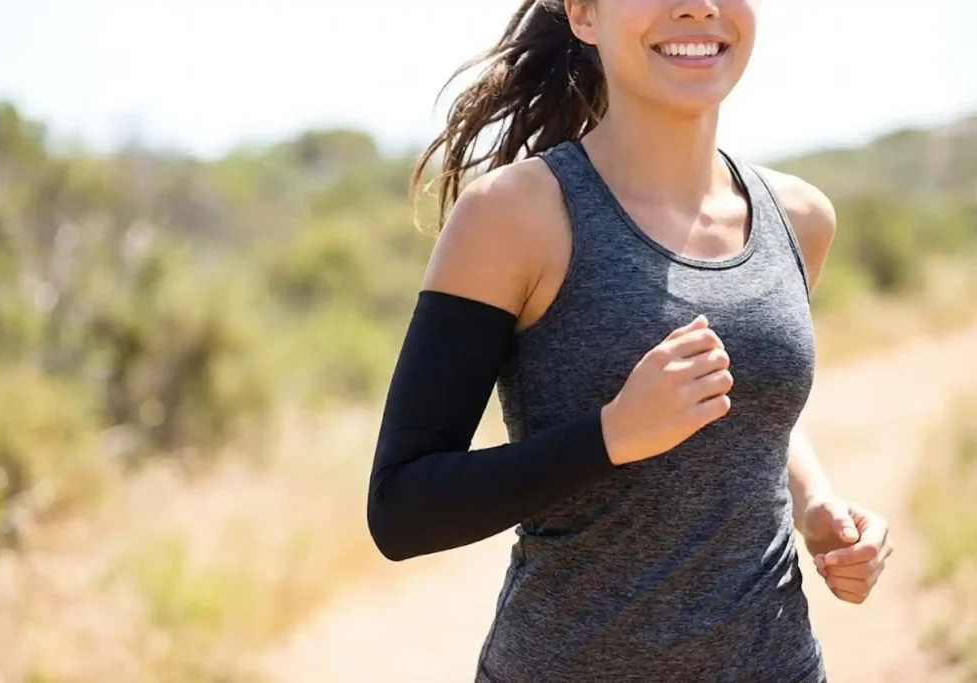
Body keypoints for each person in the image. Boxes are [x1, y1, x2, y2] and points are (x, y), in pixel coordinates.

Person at [367, 0, 894, 681]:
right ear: (585, 15)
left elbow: (742, 411)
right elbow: (401, 509)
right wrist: (611, 435)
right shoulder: (514, 216)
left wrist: (817, 502)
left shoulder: (799, 219)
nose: (697, 6)